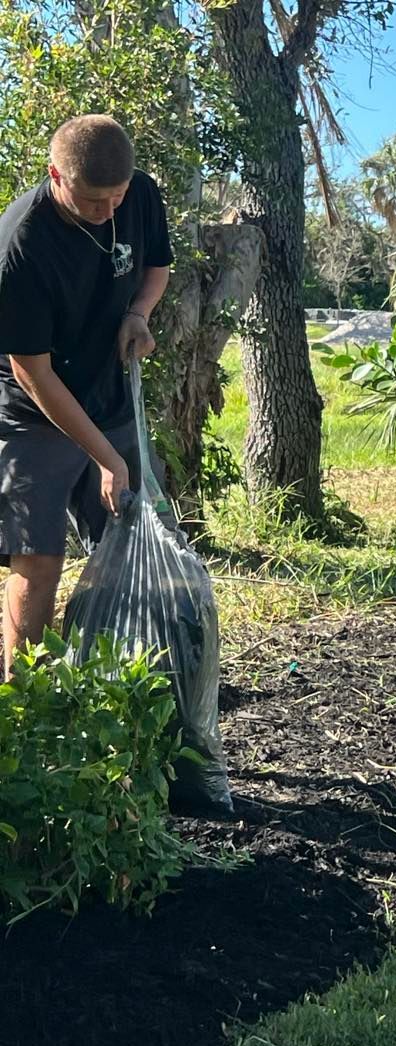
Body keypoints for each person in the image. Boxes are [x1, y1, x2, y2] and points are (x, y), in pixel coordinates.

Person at [0, 115, 173, 676]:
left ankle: (120, 687)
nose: (109, 212)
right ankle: (23, 695)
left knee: (126, 545)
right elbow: (33, 373)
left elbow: (156, 269)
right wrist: (106, 457)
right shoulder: (22, 245)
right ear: (56, 175)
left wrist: (137, 314)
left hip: (108, 392)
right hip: (32, 411)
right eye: (94, 201)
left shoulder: (138, 192)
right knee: (40, 555)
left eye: (117, 197)